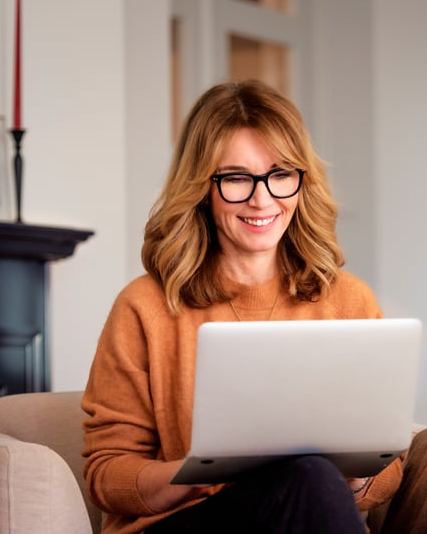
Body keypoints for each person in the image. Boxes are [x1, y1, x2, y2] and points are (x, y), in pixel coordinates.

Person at [81, 80, 403, 534]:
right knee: (309, 478)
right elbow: (106, 474)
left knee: (312, 478)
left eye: (280, 174)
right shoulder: (145, 306)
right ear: (201, 188)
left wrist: (353, 478)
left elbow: (387, 464)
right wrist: (201, 472)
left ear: (300, 181)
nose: (261, 198)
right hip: (184, 523)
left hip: (308, 512)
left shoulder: (348, 300)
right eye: (235, 178)